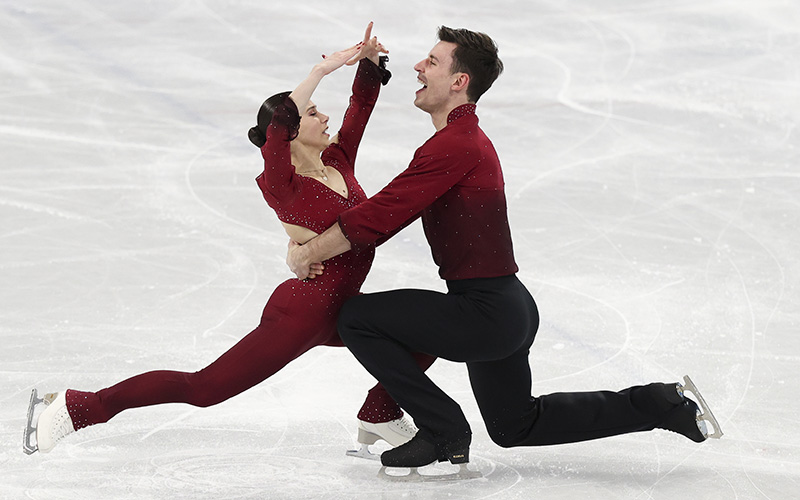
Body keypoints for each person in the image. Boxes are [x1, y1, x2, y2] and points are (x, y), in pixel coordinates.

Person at [286, 26, 722, 470]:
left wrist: (307, 252)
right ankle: (661, 404)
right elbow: (381, 212)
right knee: (516, 425)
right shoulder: (459, 141)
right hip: (505, 307)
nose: (418, 66)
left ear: (459, 82)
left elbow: (379, 216)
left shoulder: (456, 146)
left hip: (487, 314)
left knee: (357, 318)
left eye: (432, 62)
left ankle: (442, 429)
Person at [23, 23, 435, 456]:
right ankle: (80, 407)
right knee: (205, 388)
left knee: (429, 333)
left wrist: (369, 61)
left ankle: (378, 412)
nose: (325, 117)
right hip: (306, 312)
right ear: (293, 131)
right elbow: (277, 127)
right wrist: (319, 71)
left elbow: (359, 107)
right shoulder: (282, 183)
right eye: (313, 113)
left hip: (344, 306)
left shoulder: (337, 161)